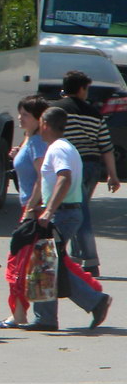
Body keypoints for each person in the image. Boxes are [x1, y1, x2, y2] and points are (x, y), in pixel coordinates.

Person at [22, 106, 113, 330]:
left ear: (45, 124)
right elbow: (44, 181)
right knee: (51, 263)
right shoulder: (61, 147)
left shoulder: (58, 149)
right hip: (64, 212)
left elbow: (64, 178)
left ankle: (90, 302)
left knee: (46, 263)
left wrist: (49, 211)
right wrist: (33, 207)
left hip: (63, 213)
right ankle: (49, 317)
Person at [50, 69, 121, 277]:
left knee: (77, 211)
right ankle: (77, 257)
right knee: (78, 210)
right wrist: (112, 175)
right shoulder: (94, 113)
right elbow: (105, 146)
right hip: (91, 166)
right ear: (81, 89)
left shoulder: (56, 110)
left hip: (67, 164)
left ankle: (88, 259)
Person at [0, 94, 49, 328]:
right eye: (20, 113)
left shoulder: (36, 142)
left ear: (38, 119)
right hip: (29, 207)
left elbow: (41, 177)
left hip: (32, 209)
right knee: (33, 262)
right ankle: (94, 297)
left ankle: (18, 315)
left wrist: (31, 209)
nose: (20, 118)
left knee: (19, 264)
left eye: (25, 115)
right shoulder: (28, 139)